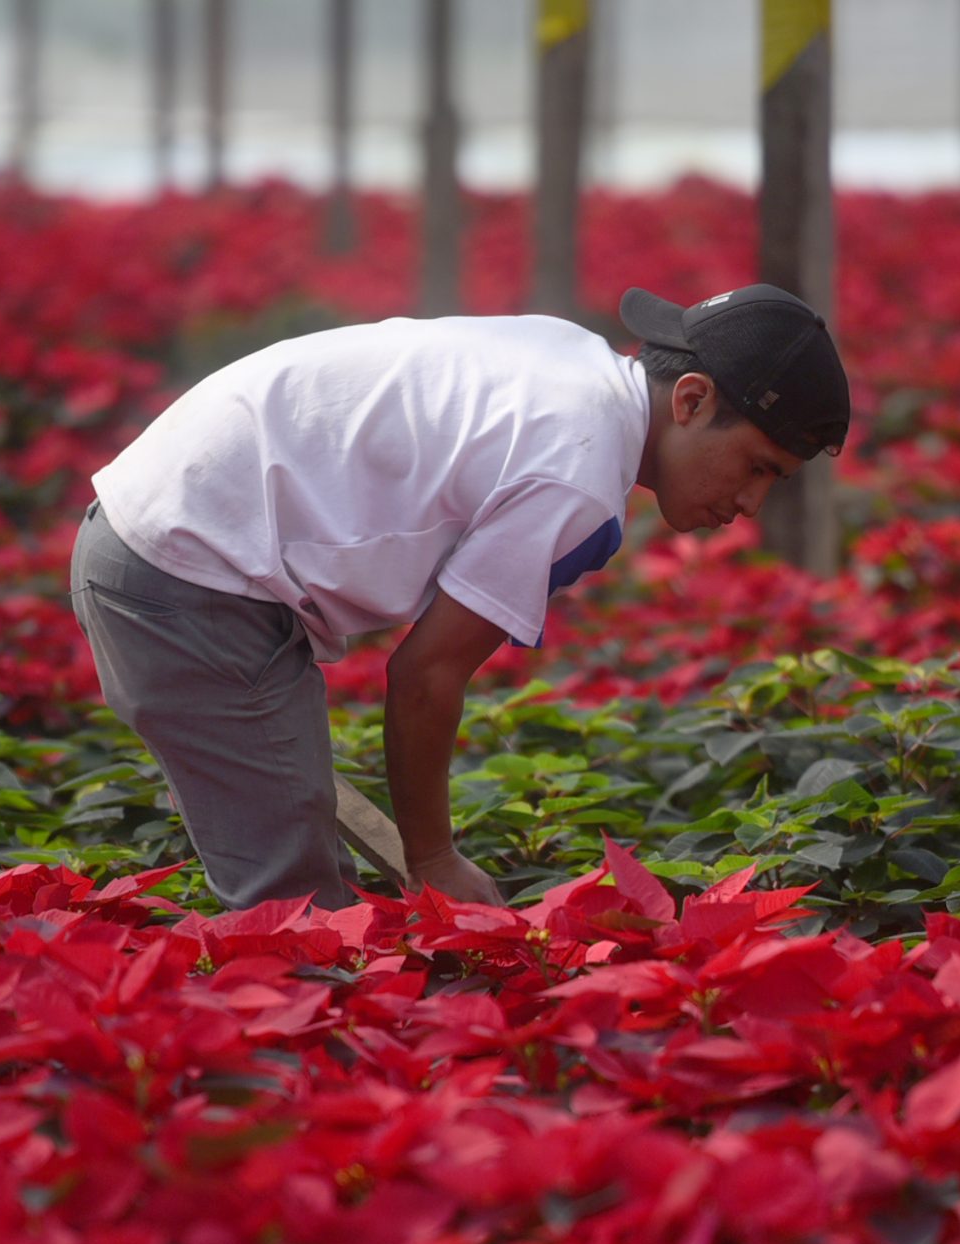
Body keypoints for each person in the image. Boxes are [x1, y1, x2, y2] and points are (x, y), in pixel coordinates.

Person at [67, 283, 851, 911]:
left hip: (166, 537)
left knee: (294, 855)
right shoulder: (573, 469)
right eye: (757, 467)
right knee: (294, 924)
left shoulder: (575, 364)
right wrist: (434, 859)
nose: (750, 504)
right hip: (187, 572)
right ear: (689, 399)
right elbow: (425, 678)